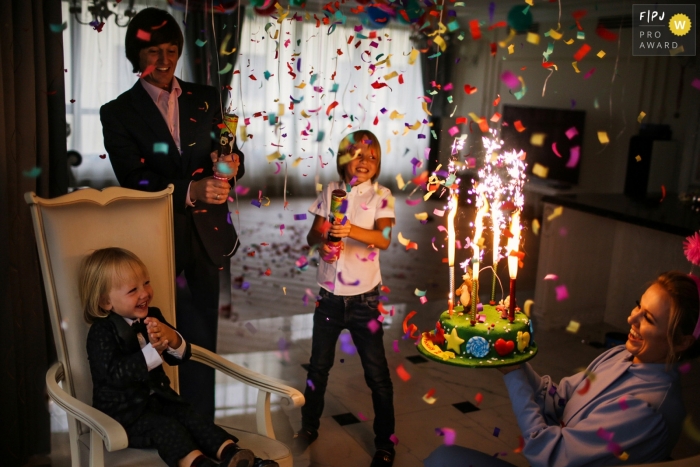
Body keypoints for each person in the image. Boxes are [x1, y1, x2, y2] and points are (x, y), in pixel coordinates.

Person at [100, 7, 243, 419]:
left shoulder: (209, 98)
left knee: (200, 344)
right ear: (136, 57)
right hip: (153, 240)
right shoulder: (118, 112)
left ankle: (204, 429)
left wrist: (229, 168)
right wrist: (188, 190)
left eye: (172, 50)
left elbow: (234, 156)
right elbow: (133, 177)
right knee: (153, 342)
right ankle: (164, 427)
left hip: (206, 238)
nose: (164, 62)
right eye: (154, 53)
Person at [424, 271, 700, 467]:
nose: (631, 318)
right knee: (440, 458)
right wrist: (512, 360)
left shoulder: (647, 408)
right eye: (638, 306)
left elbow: (550, 455)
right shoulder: (622, 355)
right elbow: (558, 398)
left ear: (682, 341)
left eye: (648, 319)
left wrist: (513, 374)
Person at [81, 247, 277, 467]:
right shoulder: (101, 332)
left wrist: (173, 339)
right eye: (132, 290)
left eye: (146, 283)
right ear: (106, 302)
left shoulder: (153, 317)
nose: (144, 293)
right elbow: (113, 375)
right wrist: (152, 352)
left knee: (191, 417)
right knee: (167, 429)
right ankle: (199, 464)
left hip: (162, 401)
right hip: (123, 416)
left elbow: (180, 357)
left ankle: (234, 455)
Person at [293, 130, 397, 467]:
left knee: (376, 374)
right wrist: (322, 241)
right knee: (318, 367)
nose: (365, 161)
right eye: (358, 154)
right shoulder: (329, 192)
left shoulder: (382, 196)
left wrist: (350, 229)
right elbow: (313, 235)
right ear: (343, 158)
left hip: (364, 300)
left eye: (372, 156)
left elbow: (383, 239)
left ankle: (385, 443)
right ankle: (308, 428)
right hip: (329, 299)